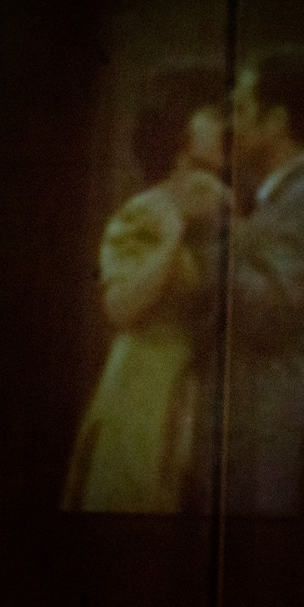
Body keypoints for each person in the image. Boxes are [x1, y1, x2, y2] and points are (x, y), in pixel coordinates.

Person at [62, 62, 228, 514]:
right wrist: (176, 229)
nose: (226, 127)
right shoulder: (147, 211)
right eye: (213, 115)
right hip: (143, 391)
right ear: (178, 127)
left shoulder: (227, 207)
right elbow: (120, 307)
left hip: (195, 396)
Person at [224, 47, 304, 517]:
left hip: (279, 429)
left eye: (240, 109)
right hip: (261, 429)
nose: (230, 125)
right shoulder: (279, 197)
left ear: (275, 120)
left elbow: (268, 311)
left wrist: (206, 243)